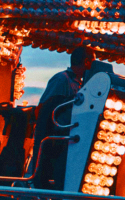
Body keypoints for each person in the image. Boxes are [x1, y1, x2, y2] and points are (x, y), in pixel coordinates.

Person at [31, 47, 96, 188]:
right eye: (93, 61)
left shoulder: (80, 84)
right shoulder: (61, 79)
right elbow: (44, 108)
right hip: (55, 136)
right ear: (86, 62)